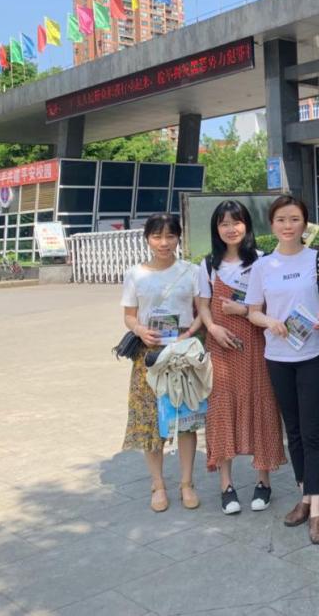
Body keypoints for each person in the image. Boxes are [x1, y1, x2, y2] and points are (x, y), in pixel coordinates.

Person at [245, 195, 319, 544]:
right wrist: (270, 322)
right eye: (281, 220)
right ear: (272, 225)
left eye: (295, 219)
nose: (288, 226)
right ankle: (305, 495)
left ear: (305, 223)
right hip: (278, 357)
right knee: (295, 431)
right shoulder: (262, 266)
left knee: (313, 431)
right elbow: (253, 311)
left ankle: (317, 511)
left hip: (313, 354)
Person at [197, 200, 286, 515]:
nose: (230, 229)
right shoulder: (208, 264)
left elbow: (272, 305)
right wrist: (212, 328)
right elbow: (203, 305)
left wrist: (243, 311)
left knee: (262, 404)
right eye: (223, 223)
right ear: (216, 229)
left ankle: (263, 481)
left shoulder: (263, 261)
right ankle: (226, 485)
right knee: (222, 409)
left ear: (247, 225)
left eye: (236, 222)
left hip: (257, 344)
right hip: (221, 346)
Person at [121, 213, 203, 513]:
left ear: (179, 237)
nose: (164, 243)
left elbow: (202, 312)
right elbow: (129, 315)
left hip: (182, 354)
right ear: (147, 239)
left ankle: (186, 483)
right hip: (149, 356)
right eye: (157, 236)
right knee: (149, 419)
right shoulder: (135, 274)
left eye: (170, 236)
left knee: (186, 419)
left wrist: (188, 334)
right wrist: (140, 330)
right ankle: (157, 485)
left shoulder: (192, 272)